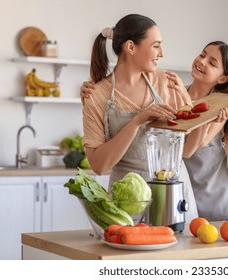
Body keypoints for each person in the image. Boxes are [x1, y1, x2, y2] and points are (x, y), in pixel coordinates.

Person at [81, 14, 198, 222]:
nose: (161, 53)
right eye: (156, 46)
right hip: (128, 203)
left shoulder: (167, 82)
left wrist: (190, 101)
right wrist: (137, 121)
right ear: (131, 47)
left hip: (173, 198)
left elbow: (188, 139)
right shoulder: (96, 96)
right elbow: (99, 166)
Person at [164, 41, 228, 221]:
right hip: (193, 196)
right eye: (202, 55)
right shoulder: (175, 95)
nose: (202, 62)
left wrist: (185, 98)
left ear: (222, 79)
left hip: (223, 201)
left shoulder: (222, 105)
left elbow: (192, 147)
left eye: (212, 63)